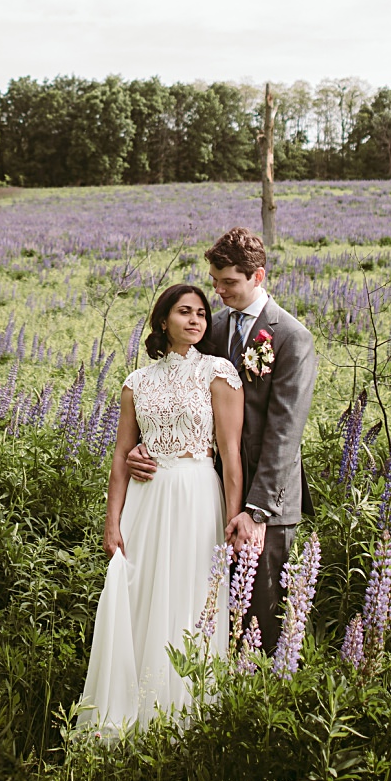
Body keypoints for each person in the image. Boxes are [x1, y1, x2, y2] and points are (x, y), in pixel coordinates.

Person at [126, 226, 316, 653]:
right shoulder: (211, 326)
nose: (219, 291)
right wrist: (147, 445)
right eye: (215, 281)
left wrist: (256, 511)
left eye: (228, 282)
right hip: (205, 496)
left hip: (267, 500)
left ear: (258, 277)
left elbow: (284, 434)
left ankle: (260, 707)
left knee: (262, 619)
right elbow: (173, 389)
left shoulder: (290, 337)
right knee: (205, 609)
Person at [73, 281, 245, 734]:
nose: (194, 320)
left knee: (190, 600)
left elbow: (230, 455)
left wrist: (232, 519)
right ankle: (137, 712)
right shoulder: (136, 383)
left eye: (202, 314)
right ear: (163, 320)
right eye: (185, 312)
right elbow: (120, 458)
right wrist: (112, 523)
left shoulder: (219, 373)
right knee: (141, 596)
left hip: (196, 497)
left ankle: (187, 718)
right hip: (146, 502)